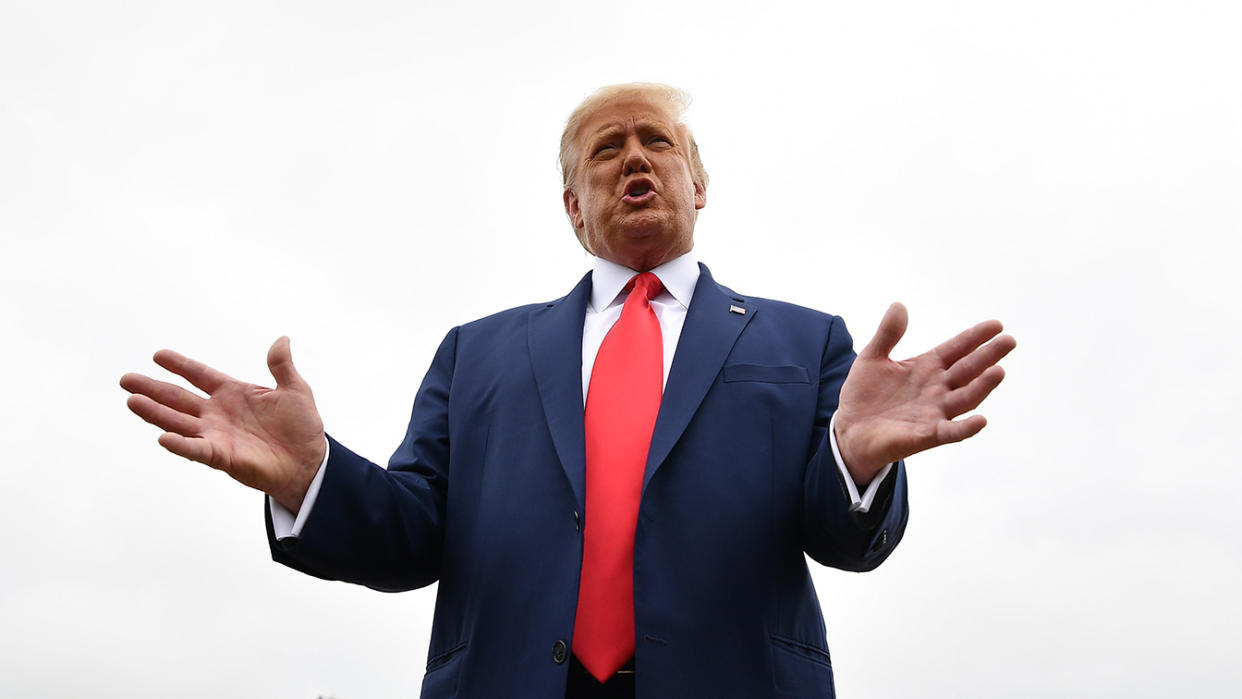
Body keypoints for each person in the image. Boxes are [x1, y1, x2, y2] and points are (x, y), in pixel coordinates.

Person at [121, 83, 1015, 699]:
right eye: (607, 148)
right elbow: (410, 535)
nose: (635, 158)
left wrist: (852, 465)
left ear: (699, 184)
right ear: (572, 205)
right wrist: (310, 476)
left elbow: (841, 538)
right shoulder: (477, 355)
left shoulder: (805, 340)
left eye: (657, 141)